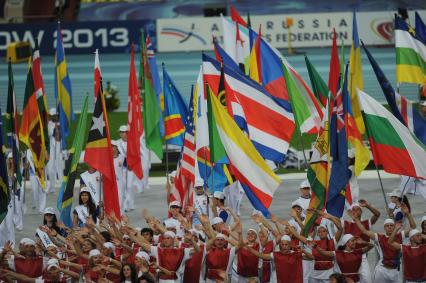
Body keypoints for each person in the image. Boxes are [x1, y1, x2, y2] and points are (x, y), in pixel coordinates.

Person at [349, 204, 416, 283]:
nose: (390, 227)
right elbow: (364, 231)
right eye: (387, 226)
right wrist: (356, 220)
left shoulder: (400, 235)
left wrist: (408, 214)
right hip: (382, 271)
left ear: (395, 227)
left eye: (391, 225)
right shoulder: (380, 237)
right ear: (384, 228)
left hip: (396, 271)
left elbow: (413, 226)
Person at [245, 234, 311, 283]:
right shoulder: (276, 254)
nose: (284, 246)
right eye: (282, 244)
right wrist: (249, 248)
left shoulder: (295, 254)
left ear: (289, 245)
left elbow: (311, 258)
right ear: (280, 245)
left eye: (286, 245)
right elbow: (261, 255)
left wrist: (303, 251)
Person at [343, 200, 380, 283]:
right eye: (354, 209)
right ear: (351, 212)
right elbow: (334, 219)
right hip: (348, 257)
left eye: (357, 209)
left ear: (361, 211)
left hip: (362, 256)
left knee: (367, 280)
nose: (355, 211)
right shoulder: (345, 224)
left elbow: (377, 214)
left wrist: (368, 205)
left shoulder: (367, 223)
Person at [46, 107, 65, 194]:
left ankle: (62, 186)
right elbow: (50, 133)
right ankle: (52, 187)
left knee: (59, 165)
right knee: (50, 168)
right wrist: (55, 128)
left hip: (58, 145)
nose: (54, 117)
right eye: (52, 115)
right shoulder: (49, 124)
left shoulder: (61, 123)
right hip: (51, 146)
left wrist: (59, 128)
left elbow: (60, 136)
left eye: (55, 115)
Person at [26, 149, 47, 214]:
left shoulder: (41, 147)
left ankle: (42, 209)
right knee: (34, 190)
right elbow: (28, 163)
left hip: (41, 172)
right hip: (32, 173)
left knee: (42, 190)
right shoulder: (28, 151)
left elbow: (47, 158)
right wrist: (26, 172)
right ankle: (34, 203)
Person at [112, 139, 126, 214]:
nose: (112, 148)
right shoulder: (107, 159)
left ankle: (121, 216)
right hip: (111, 183)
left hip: (119, 183)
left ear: (117, 148)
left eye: (113, 146)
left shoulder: (122, 157)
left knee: (120, 200)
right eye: (110, 146)